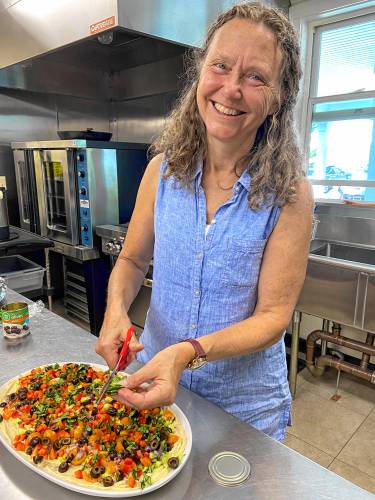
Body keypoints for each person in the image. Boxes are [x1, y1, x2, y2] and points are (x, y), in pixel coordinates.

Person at [96, 1, 313, 441]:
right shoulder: (162, 172)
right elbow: (133, 260)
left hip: (244, 407)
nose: (231, 89)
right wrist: (116, 310)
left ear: (279, 97)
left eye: (256, 77)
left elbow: (273, 317)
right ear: (200, 72)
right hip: (152, 382)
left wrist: (188, 353)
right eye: (221, 66)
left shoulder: (289, 193)